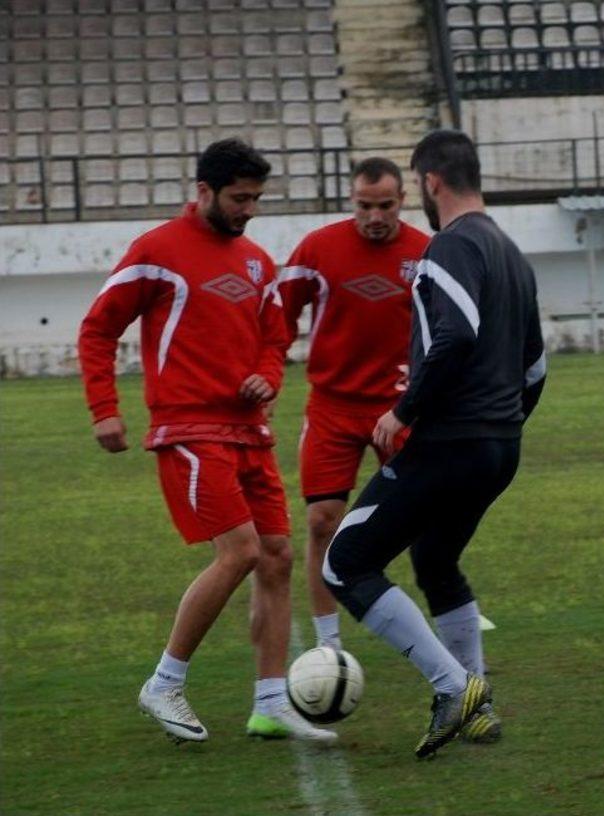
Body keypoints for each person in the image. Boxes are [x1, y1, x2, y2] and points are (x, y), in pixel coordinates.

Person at [78, 139, 337, 745]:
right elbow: (98, 327)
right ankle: (164, 681)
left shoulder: (256, 262)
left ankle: (271, 704)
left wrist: (266, 378)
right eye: (238, 198)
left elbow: (275, 340)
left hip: (249, 431)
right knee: (241, 551)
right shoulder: (157, 250)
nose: (249, 209)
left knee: (277, 557)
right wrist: (103, 409)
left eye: (255, 199)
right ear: (203, 192)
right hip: (188, 428)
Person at [322, 130, 547, 758]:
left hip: (452, 439)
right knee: (435, 561)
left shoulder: (451, 246)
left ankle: (454, 687)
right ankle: (479, 708)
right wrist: (502, 426)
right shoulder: (511, 251)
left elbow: (457, 336)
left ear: (430, 183)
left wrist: (403, 411)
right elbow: (535, 367)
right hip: (498, 445)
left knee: (345, 563)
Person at [277, 158, 429, 651]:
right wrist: (266, 369)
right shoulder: (319, 249)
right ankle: (329, 646)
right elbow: (279, 312)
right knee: (322, 520)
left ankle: (439, 608)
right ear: (352, 201)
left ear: (401, 201)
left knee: (426, 517)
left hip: (398, 409)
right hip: (332, 408)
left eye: (385, 205)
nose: (375, 216)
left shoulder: (426, 254)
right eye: (365, 206)